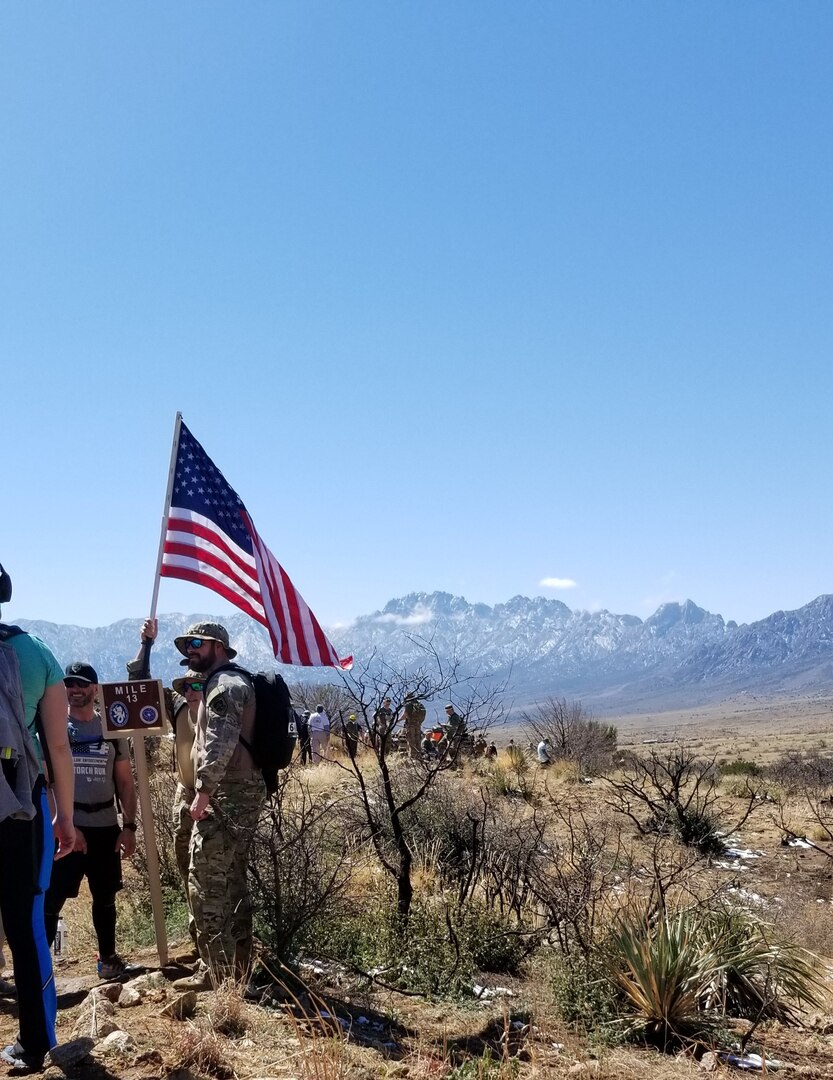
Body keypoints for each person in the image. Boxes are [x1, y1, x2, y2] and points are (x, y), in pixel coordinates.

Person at [0, 562, 75, 1073]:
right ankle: (33, 1042)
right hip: (18, 806)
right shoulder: (34, 652)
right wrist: (65, 817)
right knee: (25, 924)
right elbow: (56, 746)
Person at [171, 622, 266, 990]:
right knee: (231, 881)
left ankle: (219, 975)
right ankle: (239, 969)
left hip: (226, 795)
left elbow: (221, 740)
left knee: (206, 882)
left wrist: (204, 790)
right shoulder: (231, 681)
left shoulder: (224, 685)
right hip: (238, 793)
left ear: (219, 646)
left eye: (196, 643)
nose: (190, 650)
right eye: (186, 646)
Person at [43, 662, 139, 980]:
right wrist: (64, 822)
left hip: (106, 827)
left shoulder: (111, 731)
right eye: (70, 684)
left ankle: (108, 960)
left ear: (95, 690)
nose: (75, 690)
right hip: (69, 828)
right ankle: (40, 967)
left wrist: (128, 827)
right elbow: (49, 782)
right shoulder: (57, 727)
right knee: (53, 898)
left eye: (82, 684)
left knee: (105, 896)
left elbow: (125, 782)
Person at [126, 618, 201, 960]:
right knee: (189, 873)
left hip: (219, 797)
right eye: (186, 684)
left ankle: (221, 953)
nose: (190, 688)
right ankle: (199, 943)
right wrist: (147, 644)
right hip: (186, 795)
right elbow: (139, 685)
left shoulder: (225, 701)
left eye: (196, 684)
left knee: (214, 875)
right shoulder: (179, 703)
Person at [402, 694, 426, 758]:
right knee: (418, 740)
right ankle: (419, 756)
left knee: (411, 741)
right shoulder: (418, 704)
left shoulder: (409, 704)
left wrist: (397, 720)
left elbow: (405, 715)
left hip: (410, 726)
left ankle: (413, 757)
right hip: (418, 725)